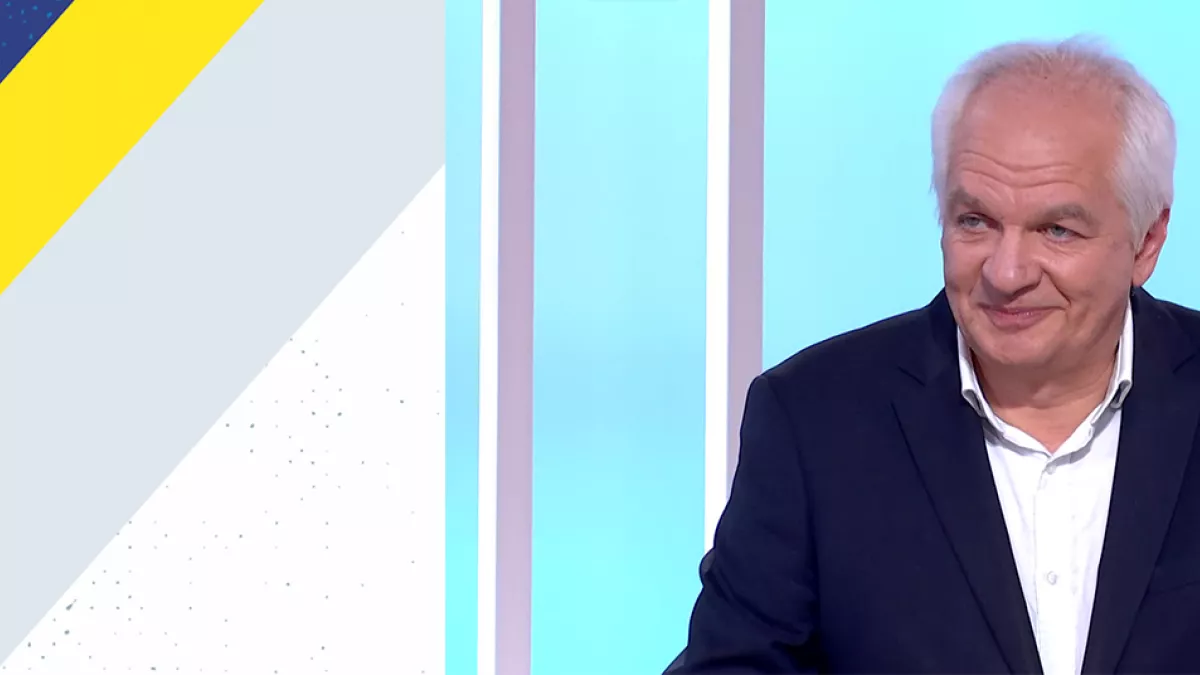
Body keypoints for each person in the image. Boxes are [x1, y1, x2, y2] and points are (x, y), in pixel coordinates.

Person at [668, 37, 1200, 674]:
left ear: (1147, 242)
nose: (1006, 273)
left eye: (1056, 230)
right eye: (975, 221)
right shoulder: (814, 421)